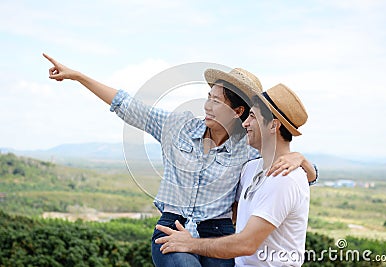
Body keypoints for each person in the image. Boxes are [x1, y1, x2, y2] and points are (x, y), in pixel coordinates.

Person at [44, 53, 317, 267]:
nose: (207, 106)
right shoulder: (178, 126)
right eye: (208, 97)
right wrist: (79, 77)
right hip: (173, 224)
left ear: (238, 111)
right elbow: (126, 105)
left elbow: (290, 168)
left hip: (218, 233)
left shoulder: (248, 148)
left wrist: (302, 161)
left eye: (217, 101)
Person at [155, 83, 311, 266]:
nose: (245, 123)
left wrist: (191, 244)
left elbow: (246, 244)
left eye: (252, 117)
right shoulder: (250, 169)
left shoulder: (285, 180)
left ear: (273, 125)